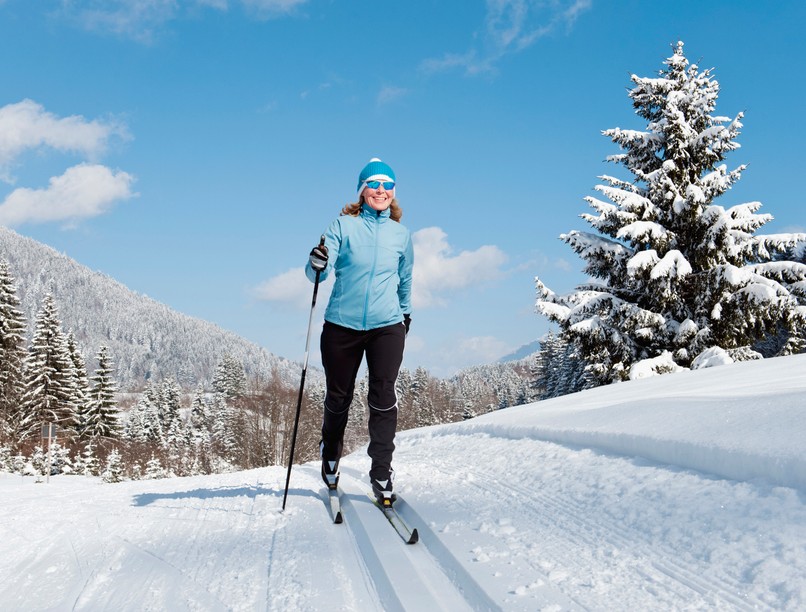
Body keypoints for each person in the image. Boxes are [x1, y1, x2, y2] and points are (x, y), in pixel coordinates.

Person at [305, 158, 414, 507]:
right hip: (342, 324)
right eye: (374, 184)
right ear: (363, 190)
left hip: (387, 324)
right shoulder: (342, 225)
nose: (381, 191)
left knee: (383, 397)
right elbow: (317, 272)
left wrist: (405, 315)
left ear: (393, 192)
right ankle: (331, 452)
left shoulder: (402, 234)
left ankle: (382, 471)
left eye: (387, 186)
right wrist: (317, 261)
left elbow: (406, 278)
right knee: (339, 397)